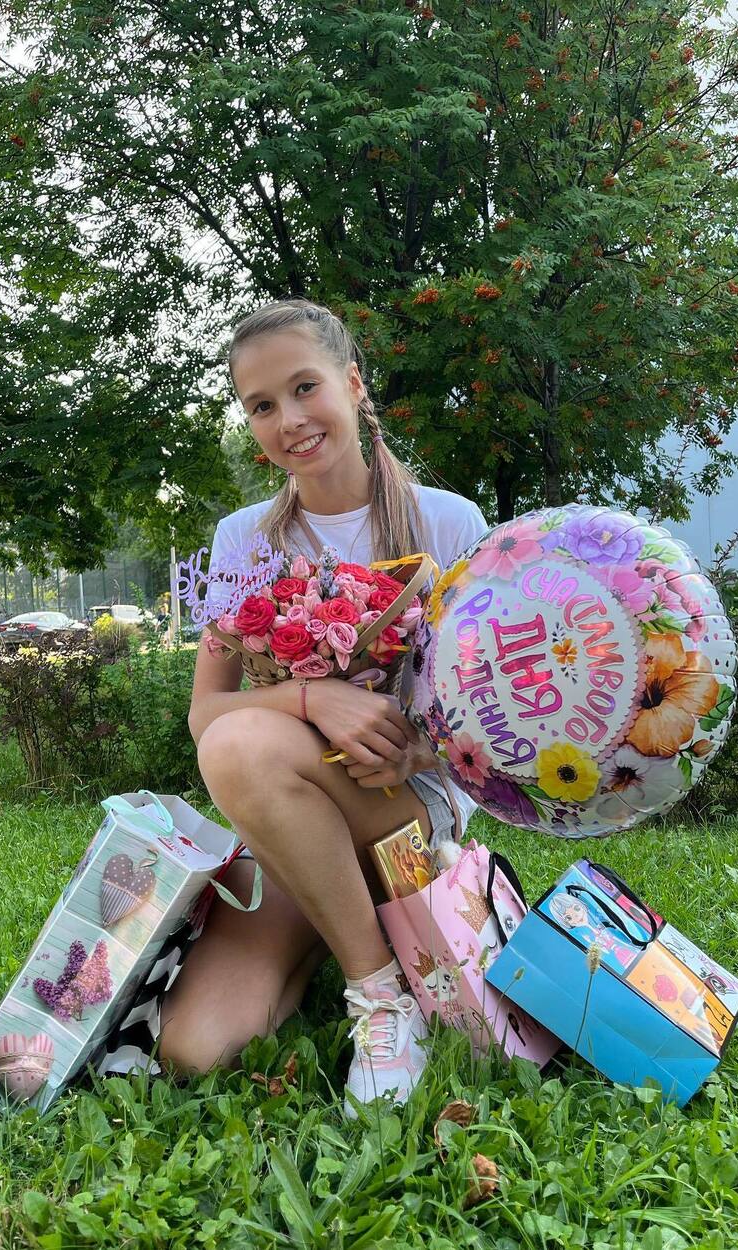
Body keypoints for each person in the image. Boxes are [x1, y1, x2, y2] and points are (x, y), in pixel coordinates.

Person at [123, 298, 488, 1116]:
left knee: (241, 748)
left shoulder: (448, 522)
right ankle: (349, 929)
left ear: (353, 383)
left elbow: (488, 714)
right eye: (261, 405)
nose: (287, 420)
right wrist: (312, 695)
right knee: (195, 1048)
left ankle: (380, 999)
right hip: (293, 817)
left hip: (401, 813)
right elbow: (206, 713)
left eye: (303, 387)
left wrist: (421, 751)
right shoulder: (244, 541)